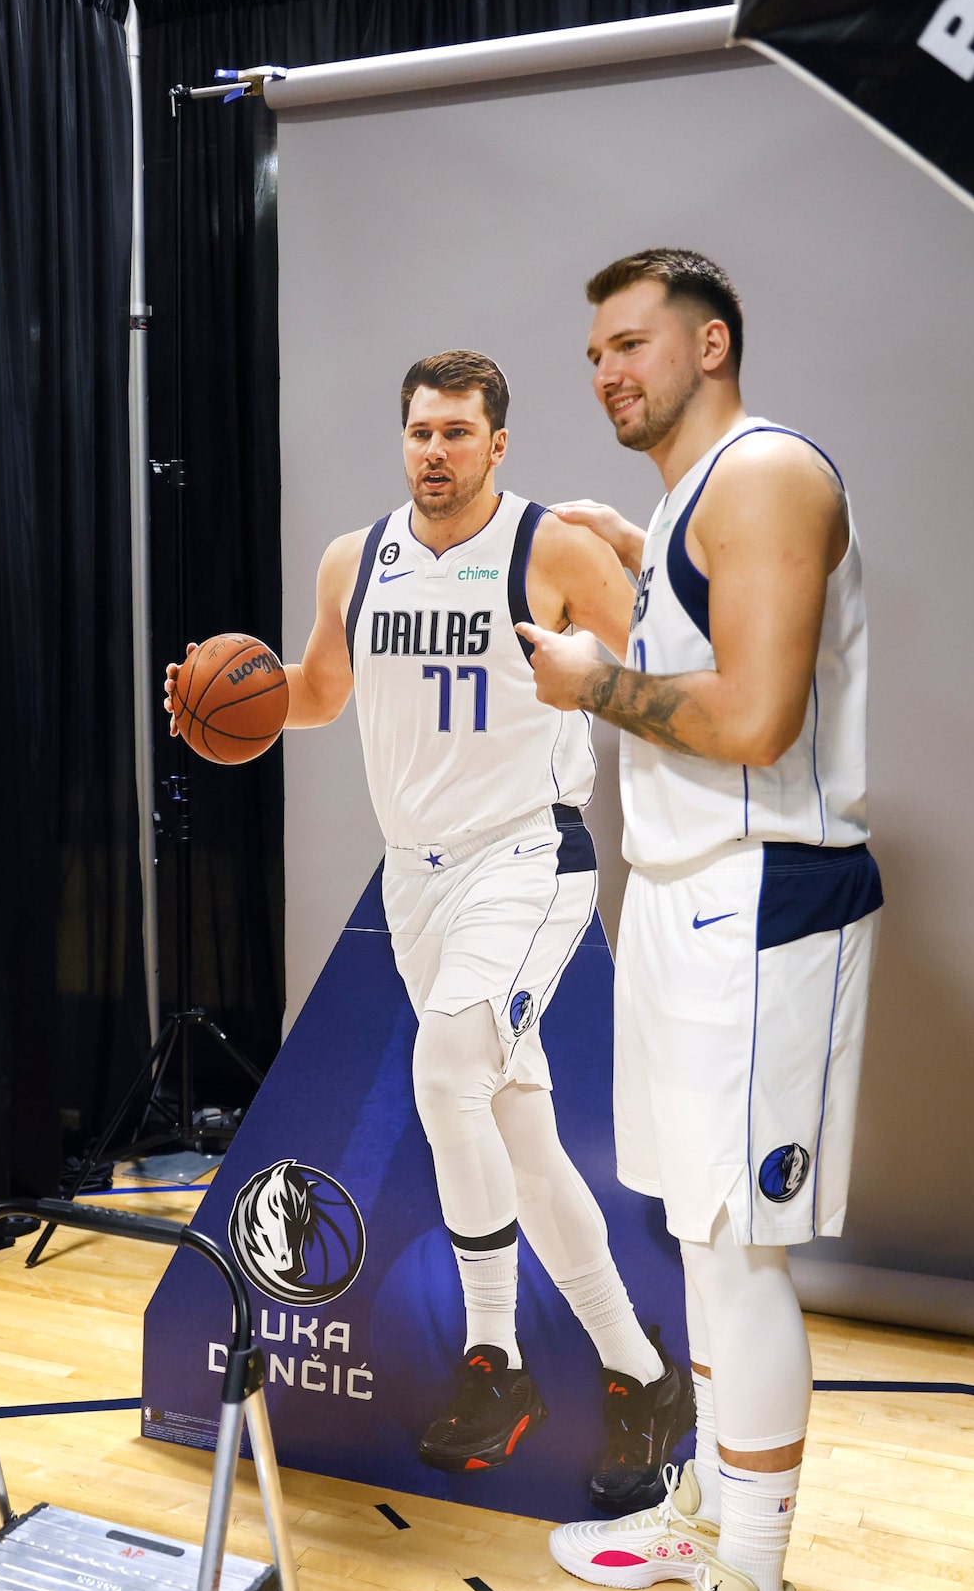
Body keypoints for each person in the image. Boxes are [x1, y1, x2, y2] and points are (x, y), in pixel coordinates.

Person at [171, 351, 694, 1514]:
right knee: (518, 1133)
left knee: (446, 1061)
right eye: (419, 432)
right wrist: (220, 700)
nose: (435, 453)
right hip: (417, 877)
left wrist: (638, 572)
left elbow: (670, 653)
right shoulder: (353, 561)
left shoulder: (543, 547)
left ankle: (494, 1360)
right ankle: (639, 1373)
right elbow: (311, 689)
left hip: (529, 855)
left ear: (496, 445)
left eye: (458, 433)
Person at [520, 251, 881, 1591]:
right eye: (593, 350)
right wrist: (628, 560)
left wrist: (597, 680)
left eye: (633, 343)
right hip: (679, 899)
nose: (608, 370)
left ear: (710, 341)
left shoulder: (767, 475)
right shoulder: (691, 501)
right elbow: (695, 654)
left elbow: (753, 716)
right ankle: (716, 1512)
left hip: (765, 903)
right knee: (695, 1230)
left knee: (742, 1256)